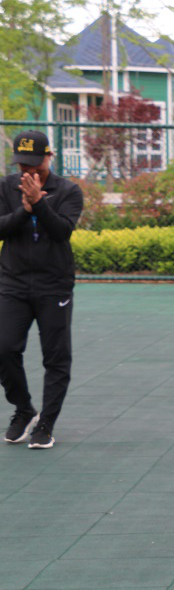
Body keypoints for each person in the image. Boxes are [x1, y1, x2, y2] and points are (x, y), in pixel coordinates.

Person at [0, 131, 82, 450]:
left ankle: (46, 422)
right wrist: (24, 210)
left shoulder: (68, 191)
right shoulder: (6, 187)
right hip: (13, 283)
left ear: (49, 156)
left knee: (56, 357)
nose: (29, 170)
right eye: (23, 164)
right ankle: (24, 409)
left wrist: (39, 203)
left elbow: (62, 231)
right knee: (4, 348)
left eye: (35, 163)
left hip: (54, 285)